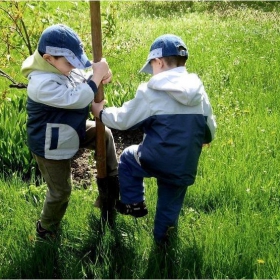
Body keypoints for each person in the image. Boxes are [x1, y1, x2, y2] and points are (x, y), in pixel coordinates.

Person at [91, 34, 217, 245]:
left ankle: (134, 203)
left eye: (152, 66)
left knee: (129, 158)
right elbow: (209, 126)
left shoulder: (152, 91)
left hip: (156, 159)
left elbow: (124, 119)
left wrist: (101, 113)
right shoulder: (199, 92)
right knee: (170, 205)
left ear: (158, 62)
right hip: (183, 165)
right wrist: (205, 137)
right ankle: (164, 242)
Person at [21, 24, 119, 239]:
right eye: (69, 63)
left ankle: (110, 187)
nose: (74, 67)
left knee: (104, 135)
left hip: (70, 130)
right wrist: (94, 80)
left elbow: (82, 79)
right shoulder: (40, 83)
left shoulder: (61, 68)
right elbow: (75, 98)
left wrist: (100, 74)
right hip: (50, 144)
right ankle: (46, 229)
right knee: (61, 191)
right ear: (48, 59)